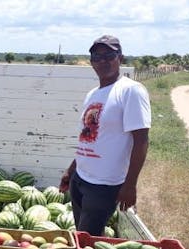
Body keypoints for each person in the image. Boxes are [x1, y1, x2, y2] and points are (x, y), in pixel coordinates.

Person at [59, 35, 151, 236]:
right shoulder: (92, 94)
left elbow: (141, 140)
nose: (103, 61)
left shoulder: (131, 91)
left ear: (120, 58)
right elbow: (89, 138)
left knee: (87, 241)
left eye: (109, 55)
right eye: (97, 57)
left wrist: (130, 184)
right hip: (80, 179)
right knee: (82, 237)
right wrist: (71, 170)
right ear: (91, 62)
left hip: (103, 185)